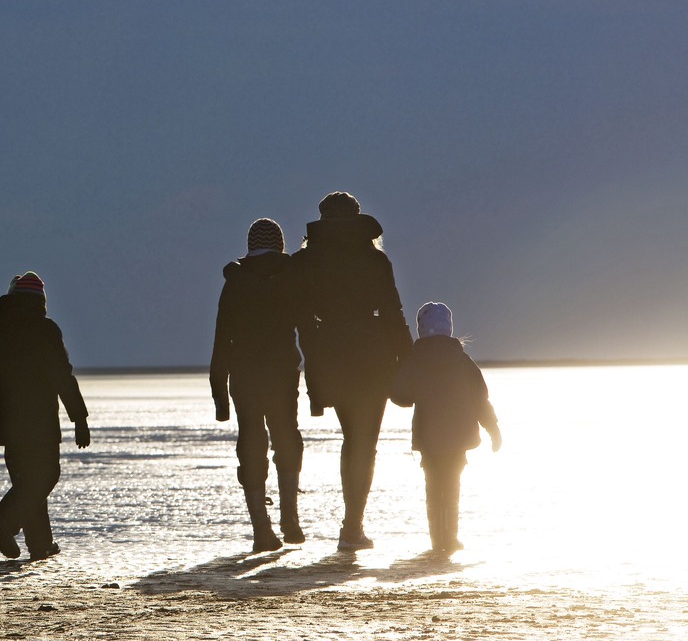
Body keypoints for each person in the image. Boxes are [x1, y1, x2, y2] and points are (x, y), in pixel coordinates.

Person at [292, 191, 413, 551]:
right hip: (373, 357)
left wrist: (312, 352)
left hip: (330, 355)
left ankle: (350, 526)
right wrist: (409, 363)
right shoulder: (375, 261)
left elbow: (298, 317)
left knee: (353, 440)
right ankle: (351, 526)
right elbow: (393, 313)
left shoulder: (305, 261)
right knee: (364, 443)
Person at [0, 272, 90, 561]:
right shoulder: (46, 330)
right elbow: (63, 375)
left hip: (11, 422)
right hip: (42, 422)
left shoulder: (2, 329)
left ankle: (40, 545)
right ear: (41, 302)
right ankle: (3, 521)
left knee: (28, 483)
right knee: (45, 476)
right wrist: (79, 418)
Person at [209, 218, 305, 552]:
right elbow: (307, 328)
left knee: (251, 443)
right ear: (279, 244)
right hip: (282, 373)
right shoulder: (292, 276)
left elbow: (222, 340)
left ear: (250, 246)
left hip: (245, 375)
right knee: (287, 437)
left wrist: (219, 395)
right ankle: (289, 517)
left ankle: (261, 530)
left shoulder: (235, 282)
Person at [390, 302, 502, 552]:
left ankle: (437, 539)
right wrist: (493, 428)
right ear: (449, 329)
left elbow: (398, 394)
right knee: (452, 486)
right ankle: (449, 537)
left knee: (433, 486)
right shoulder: (462, 360)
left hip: (429, 437)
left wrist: (414, 395)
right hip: (458, 436)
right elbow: (479, 398)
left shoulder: (415, 360)